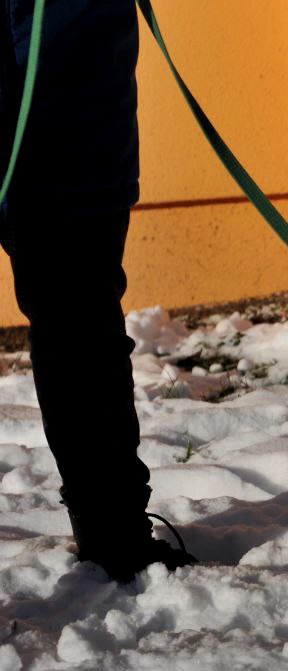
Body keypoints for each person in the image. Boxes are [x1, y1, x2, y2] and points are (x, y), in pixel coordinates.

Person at [0, 0, 194, 581]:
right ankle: (111, 533)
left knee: (77, 306)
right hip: (71, 44)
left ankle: (111, 534)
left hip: (71, 43)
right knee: (77, 311)